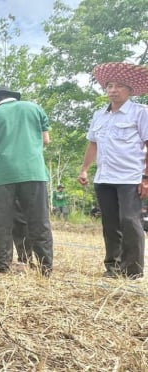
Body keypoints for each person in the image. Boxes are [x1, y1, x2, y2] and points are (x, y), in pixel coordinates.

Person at [78, 62, 148, 280]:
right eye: (109, 85)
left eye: (118, 86)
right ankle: (113, 266)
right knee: (110, 223)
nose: (113, 90)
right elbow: (92, 144)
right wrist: (84, 169)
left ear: (129, 90)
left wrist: (145, 177)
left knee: (129, 220)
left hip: (130, 177)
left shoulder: (140, 113)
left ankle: (133, 270)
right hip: (104, 177)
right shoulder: (99, 115)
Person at [0, 86, 53, 276]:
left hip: (3, 174)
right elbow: (46, 140)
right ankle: (45, 267)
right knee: (39, 220)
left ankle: (0, 265)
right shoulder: (35, 109)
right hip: (34, 172)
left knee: (0, 221)